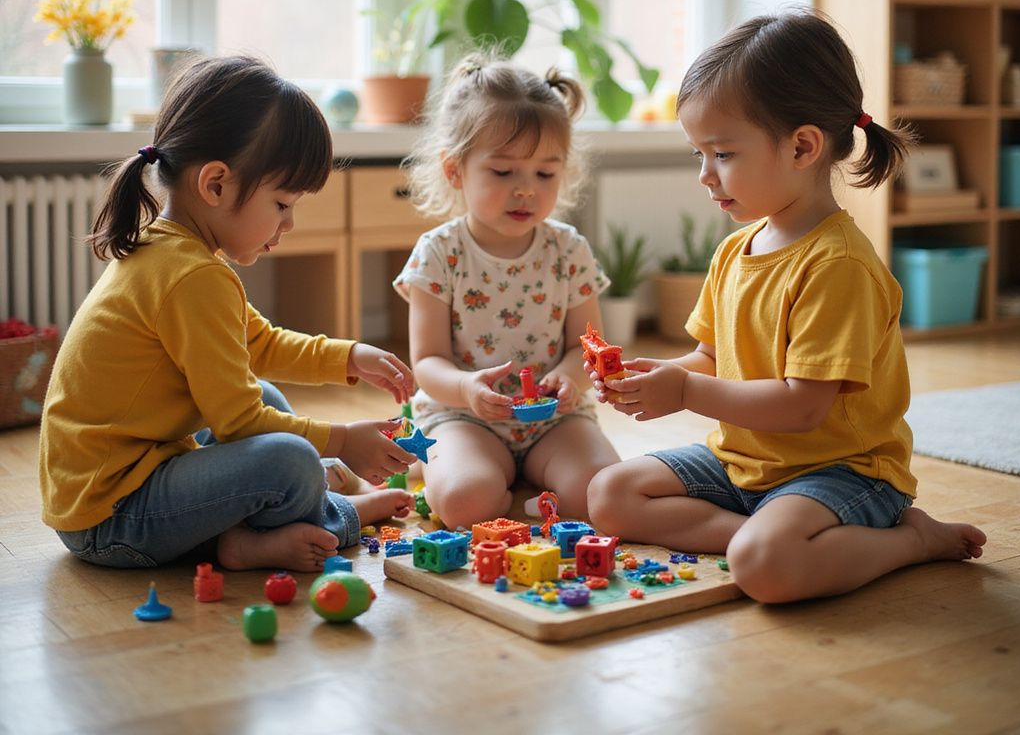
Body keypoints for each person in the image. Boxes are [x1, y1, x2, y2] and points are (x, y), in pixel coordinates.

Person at [587, 10, 986, 603]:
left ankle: (912, 541)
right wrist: (662, 376)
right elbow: (710, 359)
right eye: (699, 154)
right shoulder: (734, 252)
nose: (705, 175)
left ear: (802, 146)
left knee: (766, 571)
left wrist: (687, 393)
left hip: (842, 471)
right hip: (745, 460)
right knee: (609, 495)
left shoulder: (839, 265)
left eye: (721, 154)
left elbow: (803, 408)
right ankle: (769, 541)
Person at [39, 56, 417, 573]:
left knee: (266, 396)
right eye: (282, 204)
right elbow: (238, 424)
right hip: (112, 521)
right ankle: (326, 518)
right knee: (290, 458)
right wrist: (344, 439)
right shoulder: (192, 276)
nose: (289, 224)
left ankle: (247, 533)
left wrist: (348, 357)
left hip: (112, 492)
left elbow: (257, 346)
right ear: (215, 184)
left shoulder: (177, 253)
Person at [394, 54, 620, 529]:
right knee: (462, 503)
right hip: (464, 417)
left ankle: (516, 489)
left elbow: (588, 347)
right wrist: (465, 389)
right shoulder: (439, 253)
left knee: (604, 492)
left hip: (555, 421)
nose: (525, 191)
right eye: (503, 173)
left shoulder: (568, 249)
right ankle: (462, 471)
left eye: (544, 174)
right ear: (456, 170)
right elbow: (428, 362)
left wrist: (567, 377)